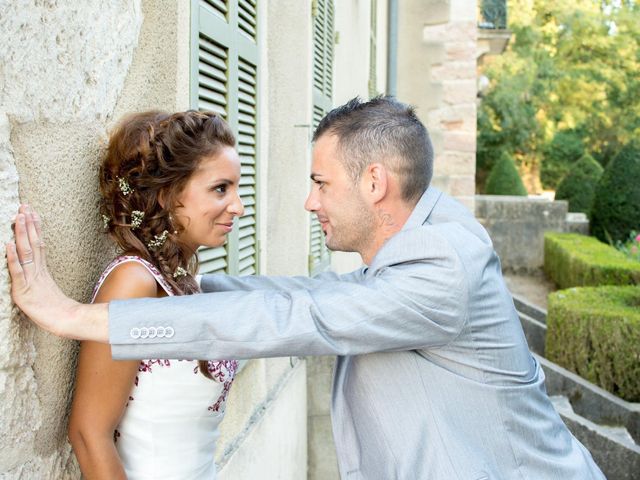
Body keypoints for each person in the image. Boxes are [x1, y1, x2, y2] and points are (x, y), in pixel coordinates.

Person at [7, 97, 605, 479]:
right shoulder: (426, 238)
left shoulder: (443, 264)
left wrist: (71, 316)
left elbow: (303, 318)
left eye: (321, 182)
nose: (309, 200)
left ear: (374, 183)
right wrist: (173, 288)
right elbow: (305, 295)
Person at [66, 110, 243, 479]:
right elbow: (88, 434)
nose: (238, 207)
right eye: (220, 188)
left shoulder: (183, 283)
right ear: (167, 195)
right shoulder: (134, 281)